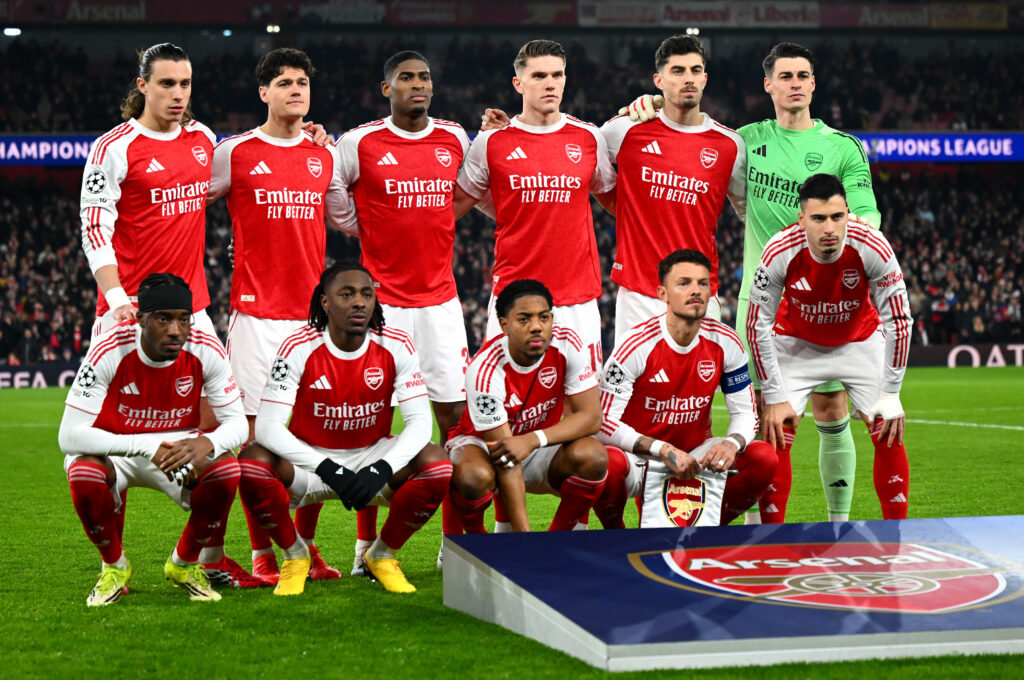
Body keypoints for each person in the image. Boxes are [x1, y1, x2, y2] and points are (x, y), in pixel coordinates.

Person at [622, 42, 884, 523]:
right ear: (768, 85)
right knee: (766, 416)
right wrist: (651, 105)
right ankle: (760, 529)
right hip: (761, 301)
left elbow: (867, 222)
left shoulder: (841, 147)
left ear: (814, 83)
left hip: (824, 300)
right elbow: (717, 175)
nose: (796, 83)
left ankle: (839, 524)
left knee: (829, 407)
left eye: (803, 75)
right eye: (785, 76)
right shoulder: (744, 142)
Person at [207, 48, 354, 587]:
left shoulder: (325, 156)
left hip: (313, 323)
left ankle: (306, 548)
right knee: (255, 445)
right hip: (255, 319)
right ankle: (263, 555)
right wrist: (231, 248)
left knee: (316, 439)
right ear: (263, 93)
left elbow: (352, 221)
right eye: (284, 83)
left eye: (302, 83)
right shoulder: (236, 153)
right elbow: (184, 202)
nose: (296, 90)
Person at [331, 51, 471, 572]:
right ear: (384, 88)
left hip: (440, 302)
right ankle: (365, 546)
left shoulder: (455, 138)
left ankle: (453, 544)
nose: (418, 85)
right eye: (406, 78)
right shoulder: (359, 142)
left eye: (425, 77)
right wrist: (360, 225)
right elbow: (332, 191)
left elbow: (471, 188)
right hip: (382, 305)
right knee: (372, 421)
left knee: (454, 420)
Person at [237, 262, 452, 595]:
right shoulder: (298, 346)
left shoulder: (396, 344)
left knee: (437, 464)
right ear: (325, 302)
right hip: (310, 464)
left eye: (367, 294)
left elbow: (421, 423)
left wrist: (382, 467)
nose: (359, 303)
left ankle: (380, 555)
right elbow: (267, 426)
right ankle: (296, 555)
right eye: (347, 294)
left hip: (371, 457)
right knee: (251, 462)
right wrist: (327, 468)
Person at [58, 273, 247, 606]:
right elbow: (69, 436)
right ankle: (114, 567)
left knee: (226, 469)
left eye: (183, 319)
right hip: (116, 447)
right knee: (83, 472)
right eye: (163, 319)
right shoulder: (109, 348)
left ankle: (184, 564)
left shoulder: (205, 346)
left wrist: (207, 444)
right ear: (141, 318)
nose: (175, 330)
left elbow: (237, 424)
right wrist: (147, 446)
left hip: (178, 449)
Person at [746, 174, 911, 520]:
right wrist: (773, 395)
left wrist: (892, 391)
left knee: (888, 425)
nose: (830, 229)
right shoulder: (780, 250)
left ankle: (899, 534)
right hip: (797, 344)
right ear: (801, 219)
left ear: (848, 213)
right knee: (777, 429)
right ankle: (772, 540)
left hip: (859, 341)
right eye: (819, 218)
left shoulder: (871, 245)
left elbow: (898, 320)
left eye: (838, 217)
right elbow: (756, 324)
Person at [454, 39, 617, 370]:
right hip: (513, 296)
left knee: (584, 411)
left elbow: (616, 201)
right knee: (504, 405)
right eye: (540, 75)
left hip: (577, 299)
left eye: (558, 75)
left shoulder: (588, 137)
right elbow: (455, 205)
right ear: (518, 83)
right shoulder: (491, 141)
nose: (550, 83)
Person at [596, 250, 776, 528]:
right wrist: (662, 449)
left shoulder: (726, 342)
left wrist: (731, 443)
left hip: (696, 453)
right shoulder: (636, 344)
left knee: (762, 457)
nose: (696, 291)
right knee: (605, 462)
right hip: (641, 458)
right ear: (662, 292)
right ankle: (617, 535)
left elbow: (746, 413)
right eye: (684, 283)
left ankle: (710, 527)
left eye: (703, 283)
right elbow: (603, 423)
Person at [600, 35, 746, 338]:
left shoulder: (731, 146)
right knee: (636, 386)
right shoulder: (625, 129)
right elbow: (580, 162)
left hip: (700, 291)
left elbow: (750, 213)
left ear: (705, 79)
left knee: (700, 385)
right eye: (677, 71)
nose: (688, 78)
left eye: (695, 70)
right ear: (659, 80)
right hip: (639, 293)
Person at [446, 279, 607, 533]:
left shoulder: (567, 343)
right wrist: (525, 539)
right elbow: (505, 458)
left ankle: (558, 539)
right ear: (504, 325)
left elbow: (591, 417)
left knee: (593, 455)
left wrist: (533, 439)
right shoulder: (485, 369)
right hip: (484, 447)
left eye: (544, 317)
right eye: (524, 319)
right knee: (473, 477)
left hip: (537, 443)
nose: (536, 327)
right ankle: (478, 544)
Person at [79, 43, 216, 342]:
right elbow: (94, 230)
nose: (178, 93)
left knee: (217, 390)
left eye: (185, 83)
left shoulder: (203, 138)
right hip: (132, 306)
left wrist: (303, 134)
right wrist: (116, 299)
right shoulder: (112, 148)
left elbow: (243, 184)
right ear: (143, 85)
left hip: (192, 307)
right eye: (167, 83)